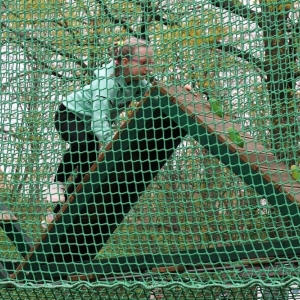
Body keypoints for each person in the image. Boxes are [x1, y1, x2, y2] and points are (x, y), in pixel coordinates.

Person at [42, 37, 193, 227]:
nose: (148, 68)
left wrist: (182, 93)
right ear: (125, 62)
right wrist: (112, 143)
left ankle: (56, 215)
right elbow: (99, 119)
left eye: (150, 64)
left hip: (89, 127)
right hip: (70, 115)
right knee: (83, 144)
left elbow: (156, 94)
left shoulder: (138, 83)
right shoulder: (107, 83)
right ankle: (57, 182)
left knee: (87, 174)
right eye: (144, 63)